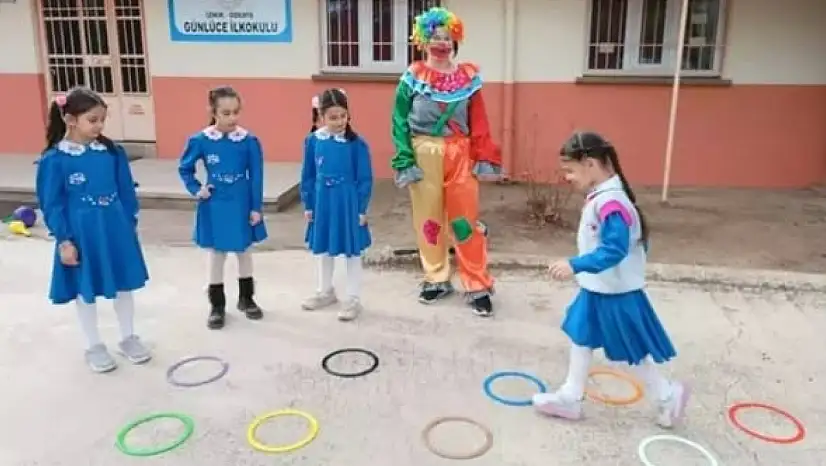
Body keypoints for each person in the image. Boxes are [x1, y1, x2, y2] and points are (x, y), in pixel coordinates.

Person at [533, 131, 689, 428]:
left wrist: (574, 265)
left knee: (630, 352)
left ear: (590, 164)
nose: (567, 176)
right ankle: (570, 396)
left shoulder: (611, 202)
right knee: (581, 335)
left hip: (614, 292)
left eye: (569, 169)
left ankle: (668, 396)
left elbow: (614, 250)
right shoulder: (606, 197)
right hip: (600, 288)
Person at [391, 6, 503, 317]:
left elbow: (479, 119)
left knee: (464, 220)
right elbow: (399, 120)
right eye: (434, 37)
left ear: (455, 40)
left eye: (447, 37)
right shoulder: (412, 77)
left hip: (460, 153)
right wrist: (405, 158)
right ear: (422, 41)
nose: (441, 43)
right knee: (428, 220)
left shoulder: (468, 76)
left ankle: (476, 282)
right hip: (422, 150)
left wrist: (483, 154)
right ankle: (436, 277)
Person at [35, 86, 151, 373]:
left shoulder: (112, 153)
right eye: (93, 119)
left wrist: (128, 222)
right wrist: (64, 240)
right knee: (84, 289)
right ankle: (94, 345)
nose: (99, 126)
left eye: (102, 120)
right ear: (71, 120)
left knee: (124, 285)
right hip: (81, 233)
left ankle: (128, 337)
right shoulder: (55, 159)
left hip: (115, 229)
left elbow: (126, 191)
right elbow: (52, 203)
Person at [178, 86, 268, 330]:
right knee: (216, 255)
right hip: (215, 205)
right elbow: (185, 168)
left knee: (244, 252)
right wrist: (197, 189)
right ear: (213, 111)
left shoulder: (249, 141)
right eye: (226, 113)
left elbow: (257, 176)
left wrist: (255, 207)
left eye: (236, 112)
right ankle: (217, 305)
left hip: (241, 204)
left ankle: (247, 298)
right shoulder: (200, 140)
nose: (232, 118)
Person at [300, 88, 373, 321]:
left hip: (347, 201)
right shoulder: (312, 141)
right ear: (320, 117)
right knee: (323, 249)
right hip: (322, 201)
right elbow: (308, 175)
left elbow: (364, 178)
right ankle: (325, 291)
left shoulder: (356, 144)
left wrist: (361, 208)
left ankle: (353, 298)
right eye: (333, 117)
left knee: (352, 252)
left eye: (343, 116)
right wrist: (308, 204)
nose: (339, 121)